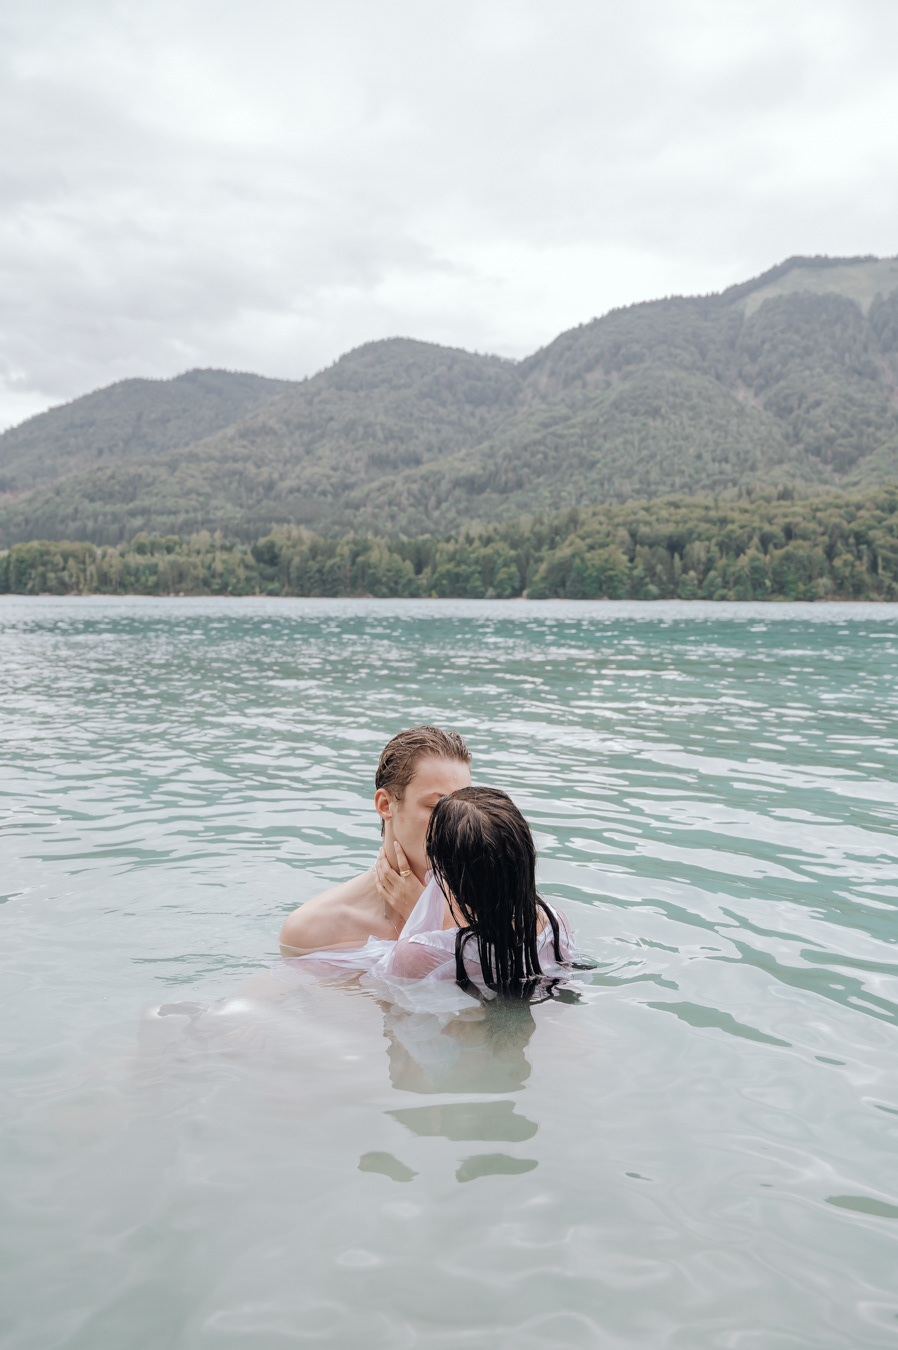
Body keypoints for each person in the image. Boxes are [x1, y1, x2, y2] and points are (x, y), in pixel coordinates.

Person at [278, 784, 578, 1000]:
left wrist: (421, 922)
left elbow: (387, 1010)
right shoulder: (554, 924)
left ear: (443, 869)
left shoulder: (416, 954)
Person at [278, 725, 472, 957]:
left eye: (464, 807)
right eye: (435, 806)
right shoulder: (311, 930)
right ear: (385, 805)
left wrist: (427, 918)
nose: (455, 822)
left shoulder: (490, 907)